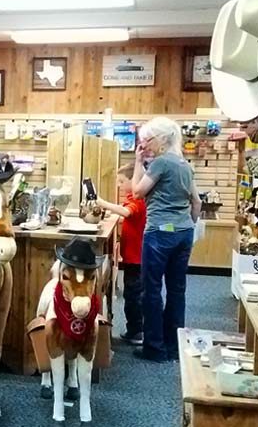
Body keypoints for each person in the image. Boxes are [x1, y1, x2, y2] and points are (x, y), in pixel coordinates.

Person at [129, 117, 200, 362]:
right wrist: (186, 226)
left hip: (159, 233)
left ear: (162, 139)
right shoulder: (185, 164)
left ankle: (154, 348)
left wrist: (138, 162)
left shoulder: (160, 163)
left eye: (148, 140)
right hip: (184, 233)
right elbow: (197, 203)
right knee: (177, 290)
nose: (145, 145)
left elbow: (136, 191)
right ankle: (174, 346)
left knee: (151, 290)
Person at [95, 164, 147, 345]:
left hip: (137, 258)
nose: (119, 185)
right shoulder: (132, 197)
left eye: (122, 181)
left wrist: (102, 203)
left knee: (134, 295)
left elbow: (126, 211)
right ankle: (134, 329)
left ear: (135, 180)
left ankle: (137, 331)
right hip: (134, 256)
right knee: (132, 293)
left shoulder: (139, 199)